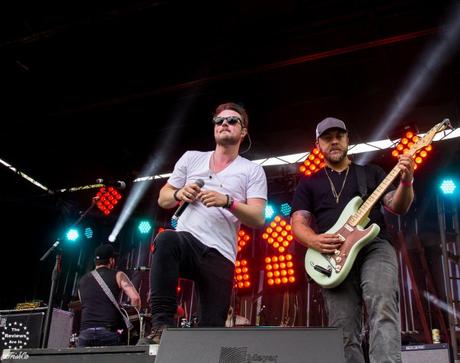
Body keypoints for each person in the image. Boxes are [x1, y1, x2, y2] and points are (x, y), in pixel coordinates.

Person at [140, 102, 267, 344]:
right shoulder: (191, 158)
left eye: (231, 121)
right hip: (188, 239)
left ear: (244, 131)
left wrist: (227, 201)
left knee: (211, 333)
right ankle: (161, 326)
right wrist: (180, 194)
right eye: (219, 121)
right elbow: (163, 198)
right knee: (166, 238)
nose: (224, 124)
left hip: (220, 253)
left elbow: (258, 217)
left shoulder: (252, 170)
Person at [291, 117, 414, 363]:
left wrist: (406, 180)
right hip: (332, 255)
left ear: (348, 139)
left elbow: (398, 206)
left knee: (383, 308)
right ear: (318, 144)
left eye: (339, 135)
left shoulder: (371, 173)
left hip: (373, 246)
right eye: (327, 137)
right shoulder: (309, 183)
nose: (334, 141)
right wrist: (314, 241)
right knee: (343, 330)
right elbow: (298, 223)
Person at [77, 243, 141, 347]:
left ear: (95, 261)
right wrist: (134, 321)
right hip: (108, 333)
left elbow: (83, 303)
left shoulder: (82, 281)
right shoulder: (118, 275)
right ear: (111, 260)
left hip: (85, 334)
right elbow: (135, 298)